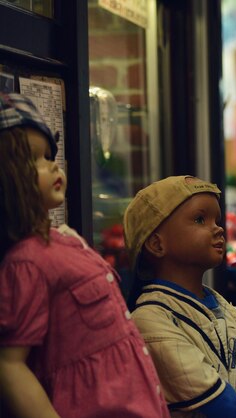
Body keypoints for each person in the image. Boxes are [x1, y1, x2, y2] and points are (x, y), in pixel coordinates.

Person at [0, 93, 170, 418]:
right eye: (33, 158)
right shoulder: (26, 263)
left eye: (49, 154)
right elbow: (9, 366)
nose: (51, 164)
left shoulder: (65, 243)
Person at [124, 176, 236, 418]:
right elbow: (215, 401)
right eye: (200, 219)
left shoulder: (223, 306)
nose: (218, 228)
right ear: (156, 244)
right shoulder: (150, 320)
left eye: (217, 220)